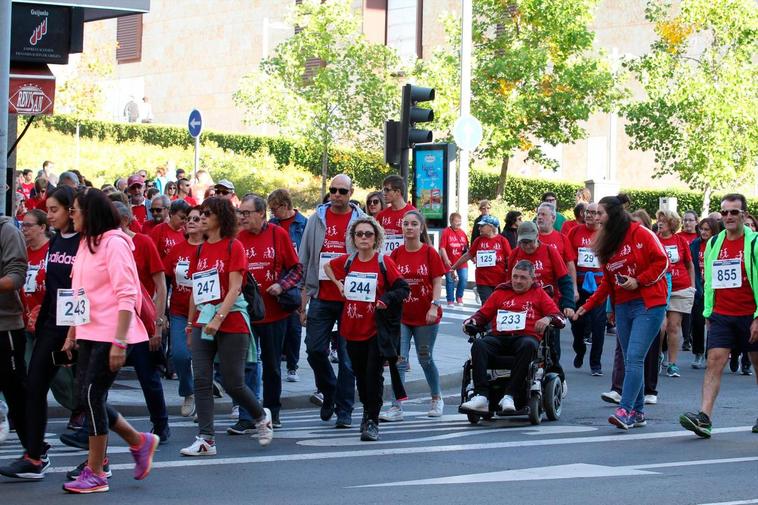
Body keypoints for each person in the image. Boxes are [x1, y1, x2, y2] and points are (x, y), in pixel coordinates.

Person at [60, 189, 159, 493]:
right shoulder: (86, 243)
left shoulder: (115, 244)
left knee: (91, 396)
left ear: (91, 213)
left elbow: (127, 294)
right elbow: (79, 291)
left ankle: (96, 471)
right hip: (89, 332)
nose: (71, 214)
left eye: (75, 210)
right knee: (87, 399)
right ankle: (138, 441)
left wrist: (119, 341)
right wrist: (72, 330)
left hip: (112, 333)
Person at [180, 197, 272, 456]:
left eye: (207, 213)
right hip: (203, 320)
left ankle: (259, 416)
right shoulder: (199, 250)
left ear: (221, 216)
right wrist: (191, 324)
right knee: (201, 379)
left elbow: (235, 288)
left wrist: (217, 319)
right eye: (198, 215)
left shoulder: (234, 246)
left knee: (233, 382)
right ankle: (206, 438)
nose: (201, 218)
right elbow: (195, 292)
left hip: (230, 320)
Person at [574, 196, 668, 430]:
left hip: (648, 304)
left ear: (614, 214)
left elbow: (662, 262)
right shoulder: (605, 241)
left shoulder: (642, 233)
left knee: (635, 357)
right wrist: (588, 306)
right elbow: (607, 282)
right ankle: (638, 412)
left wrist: (639, 281)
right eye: (594, 213)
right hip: (623, 306)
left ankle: (625, 410)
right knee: (629, 359)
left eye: (600, 213)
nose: (595, 217)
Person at [680, 194, 758, 438]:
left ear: (744, 215)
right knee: (714, 361)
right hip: (722, 314)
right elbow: (710, 280)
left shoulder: (755, 243)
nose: (728, 217)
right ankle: (704, 417)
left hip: (751, 314)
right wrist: (708, 312)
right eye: (724, 213)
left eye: (734, 212)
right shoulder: (714, 244)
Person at [324, 216, 408, 441]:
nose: (363, 238)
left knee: (373, 375)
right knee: (360, 376)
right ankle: (367, 412)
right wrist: (338, 284)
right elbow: (326, 266)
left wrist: (386, 299)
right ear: (353, 238)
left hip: (375, 330)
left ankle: (372, 420)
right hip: (352, 328)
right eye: (359, 234)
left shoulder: (383, 262)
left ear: (376, 238)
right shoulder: (348, 261)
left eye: (368, 234)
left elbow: (403, 289)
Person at [298, 174, 362, 428]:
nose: (337, 195)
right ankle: (330, 390)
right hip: (321, 296)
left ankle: (344, 409)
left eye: (342, 191)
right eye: (333, 190)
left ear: (350, 193)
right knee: (314, 349)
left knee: (348, 358)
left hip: (350, 298)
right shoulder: (316, 219)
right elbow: (304, 259)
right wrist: (302, 300)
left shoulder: (360, 220)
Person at [460, 260, 565, 413]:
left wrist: (548, 318)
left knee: (528, 344)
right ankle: (481, 396)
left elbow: (560, 318)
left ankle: (510, 395)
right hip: (499, 337)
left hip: (525, 338)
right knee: (479, 344)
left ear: (532, 279)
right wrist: (471, 321)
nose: (517, 281)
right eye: (515, 277)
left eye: (523, 278)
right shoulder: (501, 292)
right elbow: (482, 314)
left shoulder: (539, 294)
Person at [237, 195, 302, 429]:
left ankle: (273, 412)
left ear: (261, 214)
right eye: (240, 213)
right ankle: (247, 415)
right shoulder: (238, 239)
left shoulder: (278, 235)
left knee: (272, 366)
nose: (242, 217)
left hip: (275, 314)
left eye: (246, 213)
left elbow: (296, 269)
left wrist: (281, 285)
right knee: (247, 364)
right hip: (247, 314)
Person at [379, 210, 446, 421]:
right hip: (401, 316)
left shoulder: (429, 253)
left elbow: (437, 281)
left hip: (426, 315)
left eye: (413, 224)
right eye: (406, 224)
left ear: (421, 228)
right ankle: (396, 406)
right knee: (399, 360)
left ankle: (436, 398)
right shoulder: (396, 254)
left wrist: (434, 305)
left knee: (425, 358)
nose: (409, 227)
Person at [163, 206, 204, 417]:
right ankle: (188, 391)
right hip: (179, 311)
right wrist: (161, 313)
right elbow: (165, 280)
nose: (191, 222)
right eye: (188, 219)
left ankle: (204, 396)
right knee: (179, 355)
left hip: (205, 312)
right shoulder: (177, 250)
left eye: (196, 219)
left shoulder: (209, 248)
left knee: (202, 358)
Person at [0, 205, 30, 471]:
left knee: (16, 394)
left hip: (5, 327)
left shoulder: (7, 231)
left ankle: (34, 453)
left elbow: (16, 277)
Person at [268, 189, 308, 382]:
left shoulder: (303, 224)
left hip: (296, 278)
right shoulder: (271, 225)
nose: (273, 213)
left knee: (294, 326)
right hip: (275, 279)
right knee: (276, 326)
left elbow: (307, 254)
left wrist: (305, 288)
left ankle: (292, 365)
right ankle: (274, 363)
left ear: (285, 205)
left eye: (274, 209)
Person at [656, 209, 695, 378]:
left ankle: (672, 363)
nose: (660, 223)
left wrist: (692, 286)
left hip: (680, 288)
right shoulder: (654, 240)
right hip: (659, 288)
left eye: (663, 221)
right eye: (659, 220)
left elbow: (689, 264)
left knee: (673, 326)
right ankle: (657, 355)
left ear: (672, 223)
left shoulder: (680, 241)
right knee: (660, 327)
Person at [567, 202, 605, 375]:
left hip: (599, 286)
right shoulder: (574, 232)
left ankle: (595, 363)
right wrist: (572, 287)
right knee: (577, 322)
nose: (590, 215)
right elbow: (569, 261)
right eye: (587, 212)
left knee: (598, 325)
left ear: (600, 215)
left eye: (594, 212)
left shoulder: (605, 233)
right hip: (579, 284)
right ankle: (579, 348)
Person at [451, 215, 511, 305]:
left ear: (490, 227)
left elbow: (509, 258)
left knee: (498, 306)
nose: (479, 228)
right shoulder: (479, 240)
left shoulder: (502, 241)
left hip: (499, 280)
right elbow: (468, 255)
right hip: (482, 280)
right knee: (487, 305)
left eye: (482, 226)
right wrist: (454, 267)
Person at [689, 216, 719, 370]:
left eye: (707, 229)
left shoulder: (718, 244)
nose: (703, 232)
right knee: (698, 323)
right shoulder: (694, 244)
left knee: (713, 324)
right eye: (701, 229)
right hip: (699, 289)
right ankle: (698, 353)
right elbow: (691, 266)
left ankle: (710, 354)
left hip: (715, 289)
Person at [376, 175, 415, 255]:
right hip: (386, 260)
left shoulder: (413, 213)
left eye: (387, 190)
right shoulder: (381, 215)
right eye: (383, 190)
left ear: (397, 192)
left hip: (406, 257)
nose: (384, 193)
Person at [439, 212, 469, 305]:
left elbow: (467, 248)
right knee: (450, 280)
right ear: (451, 221)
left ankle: (459, 296)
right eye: (456, 221)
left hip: (462, 261)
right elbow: (442, 247)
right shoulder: (446, 232)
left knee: (463, 279)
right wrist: (446, 259)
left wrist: (472, 259)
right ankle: (450, 299)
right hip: (450, 261)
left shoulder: (463, 233)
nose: (459, 223)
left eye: (460, 221)